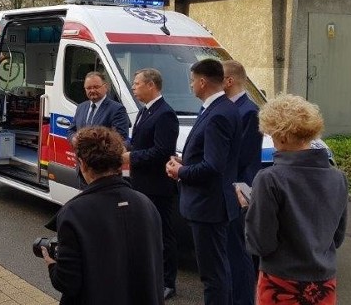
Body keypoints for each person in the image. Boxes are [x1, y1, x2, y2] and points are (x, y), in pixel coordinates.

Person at [245, 94, 348, 305]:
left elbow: (261, 243)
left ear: (281, 136)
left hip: (280, 284)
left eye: (271, 134)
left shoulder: (269, 178)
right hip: (323, 284)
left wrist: (249, 208)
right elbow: (336, 238)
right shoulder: (338, 177)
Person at [43, 127, 164, 304]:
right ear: (118, 163)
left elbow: (68, 283)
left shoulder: (74, 213)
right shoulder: (146, 204)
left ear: (82, 163)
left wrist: (52, 264)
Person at [166, 59, 241, 305]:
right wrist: (184, 160)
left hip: (208, 205)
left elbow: (213, 166)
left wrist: (181, 171)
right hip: (211, 202)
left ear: (202, 81)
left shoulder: (218, 113)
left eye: (191, 80)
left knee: (213, 274)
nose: (190, 86)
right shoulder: (219, 108)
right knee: (218, 268)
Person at [124, 68, 179, 300]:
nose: (134, 87)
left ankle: (168, 282)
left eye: (137, 84)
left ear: (151, 85)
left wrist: (131, 158)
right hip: (140, 183)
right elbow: (138, 141)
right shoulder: (144, 111)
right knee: (144, 232)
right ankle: (148, 275)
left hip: (158, 186)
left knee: (163, 234)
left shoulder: (165, 114)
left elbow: (161, 151)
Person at [222, 60, 260, 305]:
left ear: (229, 81)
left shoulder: (249, 111)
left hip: (240, 188)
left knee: (239, 250)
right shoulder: (230, 107)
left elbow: (242, 156)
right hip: (229, 187)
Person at [69, 71, 130, 140]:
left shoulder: (117, 109)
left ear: (105, 87)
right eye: (88, 88)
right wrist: (74, 139)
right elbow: (71, 131)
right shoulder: (81, 107)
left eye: (96, 87)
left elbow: (120, 138)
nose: (92, 90)